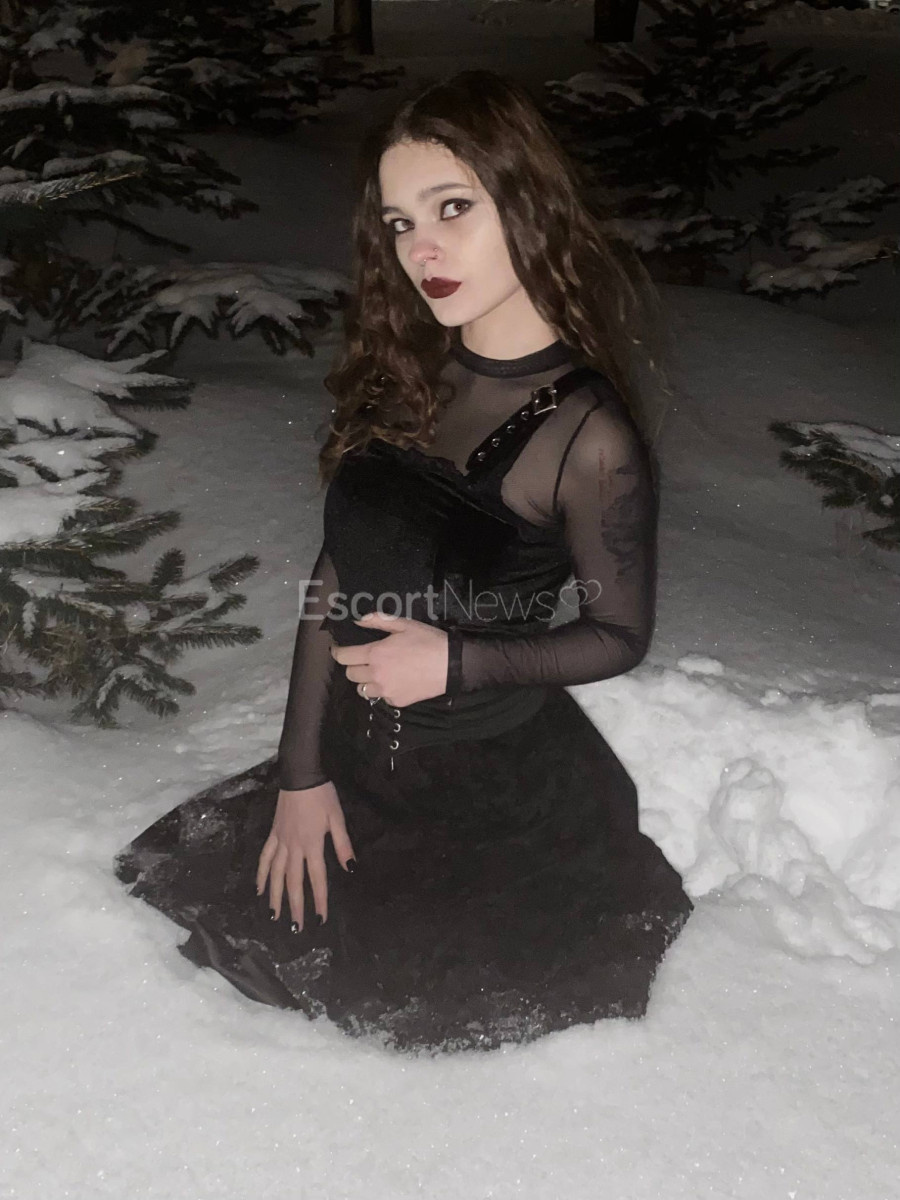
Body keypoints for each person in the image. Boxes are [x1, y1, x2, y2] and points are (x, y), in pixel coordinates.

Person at [114, 69, 693, 1054]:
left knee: (408, 1015)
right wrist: (302, 775)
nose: (422, 249)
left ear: (529, 202)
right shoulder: (415, 372)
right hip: (352, 761)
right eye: (399, 222)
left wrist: (456, 661)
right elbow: (336, 575)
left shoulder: (587, 438)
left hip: (490, 802)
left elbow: (619, 635)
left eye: (452, 207)